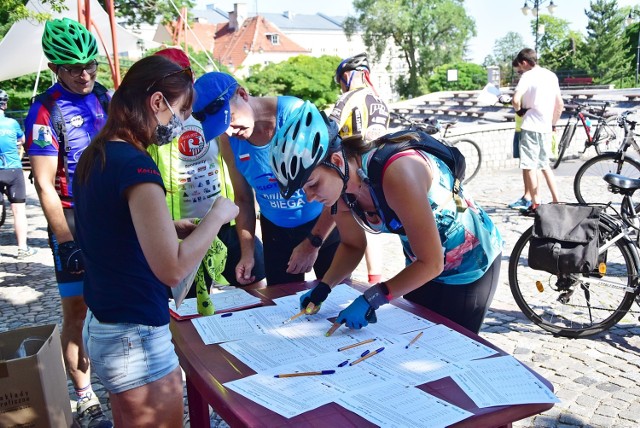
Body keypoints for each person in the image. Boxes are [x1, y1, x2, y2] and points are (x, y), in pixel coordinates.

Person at [73, 55, 238, 426]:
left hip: (105, 323)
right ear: (158, 102)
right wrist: (216, 217)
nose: (181, 124)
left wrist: (166, 225)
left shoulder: (97, 154)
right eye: (181, 111)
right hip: (135, 335)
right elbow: (172, 268)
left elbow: (108, 228)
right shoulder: (138, 166)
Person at [271, 101, 503, 334]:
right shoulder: (341, 188)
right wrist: (324, 287)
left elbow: (432, 263)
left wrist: (373, 298)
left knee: (451, 350)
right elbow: (352, 245)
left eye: (312, 184)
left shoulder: (397, 173)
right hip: (421, 264)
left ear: (337, 161)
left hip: (470, 266)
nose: (310, 197)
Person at [24, 18, 112, 427]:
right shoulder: (44, 108)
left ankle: (123, 374)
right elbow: (43, 183)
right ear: (54, 67)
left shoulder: (106, 97)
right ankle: (84, 395)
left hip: (111, 213)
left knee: (119, 300)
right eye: (73, 68)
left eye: (89, 65)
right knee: (76, 311)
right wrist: (64, 239)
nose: (84, 74)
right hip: (72, 216)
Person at [192, 72, 340, 286]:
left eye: (230, 119)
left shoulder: (295, 114)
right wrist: (248, 253)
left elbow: (336, 184)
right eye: (222, 128)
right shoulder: (229, 140)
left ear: (242, 94)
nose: (231, 132)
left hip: (321, 225)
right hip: (276, 230)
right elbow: (242, 199)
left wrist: (312, 243)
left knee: (333, 296)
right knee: (282, 305)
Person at [148, 48, 266, 298]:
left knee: (259, 289)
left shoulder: (209, 113)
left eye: (181, 79)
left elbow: (237, 175)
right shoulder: (153, 121)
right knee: (188, 306)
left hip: (227, 224)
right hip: (181, 231)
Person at [330, 52, 390, 284]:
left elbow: (330, 129)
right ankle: (374, 280)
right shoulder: (379, 99)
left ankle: (344, 280)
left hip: (352, 169)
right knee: (373, 225)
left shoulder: (350, 97)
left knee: (349, 225)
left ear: (346, 76)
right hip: (379, 168)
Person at [510, 48, 563, 215]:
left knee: (529, 165)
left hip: (530, 125)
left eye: (520, 66)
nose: (520, 70)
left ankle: (536, 203)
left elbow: (515, 99)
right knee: (544, 165)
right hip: (546, 127)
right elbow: (559, 104)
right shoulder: (551, 75)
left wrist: (519, 111)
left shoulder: (528, 76)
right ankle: (556, 200)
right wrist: (553, 124)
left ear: (525, 62)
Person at [0, 90, 37, 259]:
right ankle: (22, 248)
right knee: (18, 211)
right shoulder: (12, 123)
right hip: (13, 170)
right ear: (5, 105)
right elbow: (22, 140)